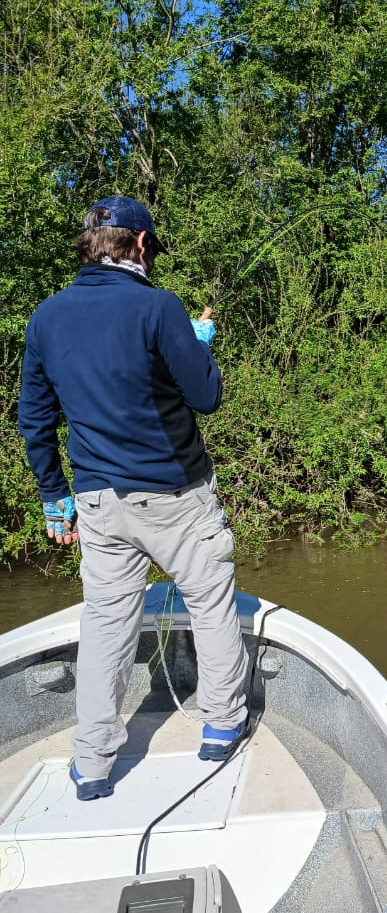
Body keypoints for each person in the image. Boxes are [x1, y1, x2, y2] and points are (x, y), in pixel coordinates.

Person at [17, 195, 248, 800]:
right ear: (140, 245)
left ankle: (92, 762)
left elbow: (34, 422)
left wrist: (54, 500)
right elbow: (206, 397)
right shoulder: (158, 307)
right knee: (210, 601)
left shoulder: (46, 318)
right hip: (178, 495)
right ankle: (222, 725)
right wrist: (199, 345)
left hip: (96, 503)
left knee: (106, 624)